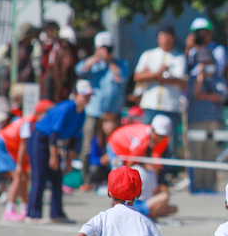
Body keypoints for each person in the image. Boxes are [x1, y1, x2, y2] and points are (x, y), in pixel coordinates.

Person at [27, 80, 92, 222]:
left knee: (57, 179)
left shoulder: (82, 113)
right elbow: (53, 133)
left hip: (53, 144)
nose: (87, 98)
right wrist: (53, 156)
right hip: (41, 139)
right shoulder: (66, 108)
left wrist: (69, 160)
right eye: (84, 95)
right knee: (39, 179)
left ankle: (57, 214)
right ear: (75, 94)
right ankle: (33, 214)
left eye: (89, 95)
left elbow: (74, 139)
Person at [76, 31, 130, 188]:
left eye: (109, 48)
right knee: (88, 145)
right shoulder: (93, 65)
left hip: (113, 113)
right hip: (94, 112)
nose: (106, 51)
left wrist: (111, 63)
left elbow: (123, 78)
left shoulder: (121, 64)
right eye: (103, 48)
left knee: (116, 146)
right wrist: (95, 59)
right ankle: (86, 180)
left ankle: (117, 181)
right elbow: (79, 70)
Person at [0, 99, 54, 220]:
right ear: (40, 113)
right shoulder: (28, 122)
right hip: (3, 144)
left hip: (11, 147)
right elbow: (23, 145)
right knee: (17, 176)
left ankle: (25, 208)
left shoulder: (37, 124)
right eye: (48, 113)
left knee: (23, 177)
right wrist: (20, 166)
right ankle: (9, 210)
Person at [107, 114, 176, 220]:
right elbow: (130, 164)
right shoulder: (142, 139)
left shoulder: (163, 140)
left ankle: (133, 208)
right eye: (158, 134)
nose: (160, 138)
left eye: (162, 135)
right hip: (117, 146)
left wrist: (154, 171)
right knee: (120, 180)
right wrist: (144, 165)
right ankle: (117, 211)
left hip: (132, 151)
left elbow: (156, 160)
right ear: (152, 130)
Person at [132, 26, 186, 157]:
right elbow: (137, 76)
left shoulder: (179, 57)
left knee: (169, 142)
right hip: (151, 104)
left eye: (168, 36)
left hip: (170, 106)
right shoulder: (149, 55)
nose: (165, 39)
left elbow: (179, 80)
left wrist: (152, 75)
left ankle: (166, 172)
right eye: (163, 35)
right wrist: (158, 74)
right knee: (144, 138)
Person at [187, 39, 228, 191]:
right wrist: (200, 77)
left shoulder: (217, 77)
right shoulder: (192, 78)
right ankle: (197, 186)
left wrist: (204, 95)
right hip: (196, 121)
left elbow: (221, 95)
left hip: (213, 121)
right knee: (196, 154)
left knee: (210, 154)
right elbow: (195, 93)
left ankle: (210, 185)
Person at [88, 112, 120, 190]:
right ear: (101, 125)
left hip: (117, 166)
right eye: (107, 122)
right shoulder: (96, 139)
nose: (110, 125)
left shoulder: (120, 138)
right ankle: (98, 183)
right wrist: (102, 160)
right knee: (94, 169)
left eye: (112, 122)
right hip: (104, 168)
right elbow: (92, 159)